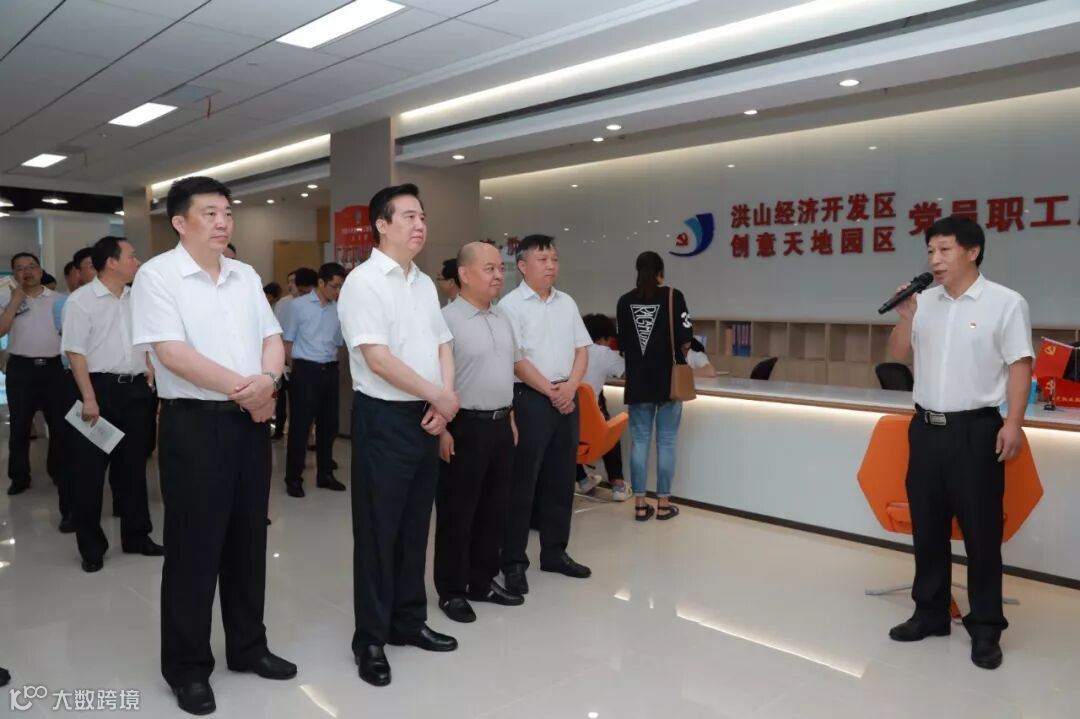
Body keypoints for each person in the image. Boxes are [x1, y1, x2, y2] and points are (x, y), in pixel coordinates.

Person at [132, 176, 295, 716]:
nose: (223, 221)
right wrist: (249, 390)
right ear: (180, 222)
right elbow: (173, 354)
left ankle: (248, 647)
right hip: (195, 425)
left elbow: (271, 338)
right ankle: (187, 668)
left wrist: (268, 383)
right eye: (210, 213)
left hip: (250, 422)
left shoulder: (244, 274)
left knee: (249, 540)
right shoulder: (157, 276)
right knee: (194, 550)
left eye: (227, 212)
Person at [885, 215, 1033, 671]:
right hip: (925, 428)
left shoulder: (1005, 302)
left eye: (945, 250)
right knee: (927, 528)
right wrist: (907, 317)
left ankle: (986, 628)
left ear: (972, 251)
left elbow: (1020, 365)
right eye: (931, 251)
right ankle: (930, 613)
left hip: (976, 430)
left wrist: (1014, 423)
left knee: (981, 533)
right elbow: (896, 355)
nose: (935, 259)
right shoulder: (924, 302)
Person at [338, 183, 459, 688]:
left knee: (414, 526)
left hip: (426, 415)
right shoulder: (363, 283)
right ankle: (370, 638)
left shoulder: (423, 283)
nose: (419, 225)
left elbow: (443, 344)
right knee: (377, 531)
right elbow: (378, 360)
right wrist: (438, 396)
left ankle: (409, 620)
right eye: (408, 216)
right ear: (381, 225)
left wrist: (442, 399)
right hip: (384, 419)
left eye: (422, 217)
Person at [434, 242, 524, 624]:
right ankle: (452, 590)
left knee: (494, 510)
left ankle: (482, 581)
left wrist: (511, 416)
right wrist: (442, 430)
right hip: (462, 426)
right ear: (464, 274)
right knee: (458, 513)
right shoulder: (445, 320)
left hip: (501, 424)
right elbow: (435, 379)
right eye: (489, 268)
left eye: (500, 268)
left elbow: (506, 372)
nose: (498, 275)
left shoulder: (503, 317)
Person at [62, 236, 163, 573]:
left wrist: (149, 370)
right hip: (97, 392)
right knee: (89, 474)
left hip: (134, 392)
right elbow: (75, 352)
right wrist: (89, 398)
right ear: (111, 262)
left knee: (133, 469)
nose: (138, 262)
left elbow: (145, 340)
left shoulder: (137, 298)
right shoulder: (81, 301)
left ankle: (137, 536)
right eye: (132, 256)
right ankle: (92, 547)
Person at [499, 234, 592, 596]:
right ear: (522, 266)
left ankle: (555, 552)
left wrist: (570, 387)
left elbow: (582, 350)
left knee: (561, 479)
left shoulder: (566, 302)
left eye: (554, 259)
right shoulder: (510, 306)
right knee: (522, 484)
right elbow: (516, 360)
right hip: (530, 399)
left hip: (566, 397)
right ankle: (513, 562)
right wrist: (552, 392)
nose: (551, 265)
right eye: (542, 260)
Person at [616, 251, 692, 522]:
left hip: (638, 382)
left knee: (639, 441)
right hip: (668, 381)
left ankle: (639, 504)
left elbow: (622, 345)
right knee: (667, 441)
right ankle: (663, 504)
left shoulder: (624, 302)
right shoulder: (673, 296)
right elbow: (686, 339)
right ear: (661, 272)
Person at [0, 252, 73, 526]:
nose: (26, 272)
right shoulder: (6, 298)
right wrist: (14, 302)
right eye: (19, 268)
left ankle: (58, 471)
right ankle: (19, 477)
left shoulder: (59, 300)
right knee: (20, 426)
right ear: (14, 274)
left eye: (31, 266)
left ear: (41, 271)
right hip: (21, 368)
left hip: (54, 368)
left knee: (60, 426)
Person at [282, 262, 346, 497]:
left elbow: (337, 342)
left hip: (330, 370)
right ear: (321, 283)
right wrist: (295, 371)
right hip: (305, 371)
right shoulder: (297, 307)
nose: (337, 291)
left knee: (329, 426)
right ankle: (293, 478)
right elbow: (287, 342)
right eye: (334, 286)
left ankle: (325, 474)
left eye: (340, 287)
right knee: (300, 427)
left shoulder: (338, 310)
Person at [578, 313, 628, 500]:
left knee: (568, 440)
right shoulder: (605, 353)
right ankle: (618, 486)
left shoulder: (569, 349)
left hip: (565, 420)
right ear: (602, 339)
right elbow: (626, 373)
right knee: (610, 432)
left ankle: (582, 480)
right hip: (591, 425)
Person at [271, 268, 316, 442]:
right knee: (283, 397)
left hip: (306, 357)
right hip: (284, 355)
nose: (291, 285)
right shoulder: (284, 303)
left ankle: (309, 435)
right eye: (289, 281)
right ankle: (280, 428)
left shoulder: (313, 303)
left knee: (305, 401)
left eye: (294, 281)